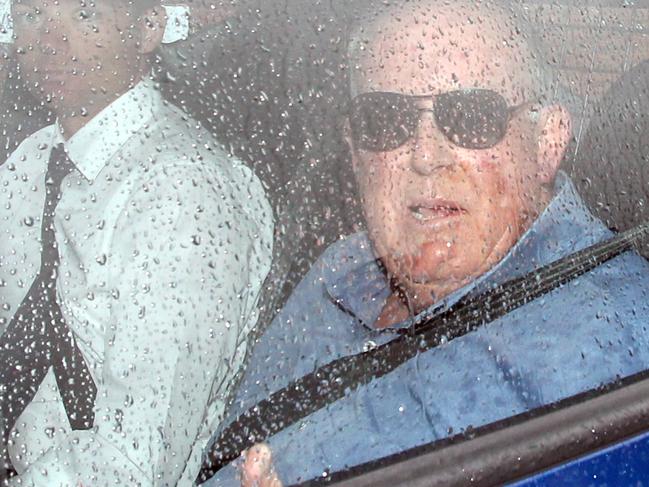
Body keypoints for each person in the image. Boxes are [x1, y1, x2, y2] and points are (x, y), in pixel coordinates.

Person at [203, 1, 649, 485]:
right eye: (385, 119)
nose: (424, 155)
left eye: (472, 116)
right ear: (354, 152)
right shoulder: (339, 272)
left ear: (546, 142)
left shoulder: (612, 353)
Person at [0, 0, 273, 485]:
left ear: (148, 27)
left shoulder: (185, 190)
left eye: (85, 15)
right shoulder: (31, 162)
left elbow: (131, 463)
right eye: (31, 15)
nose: (50, 41)